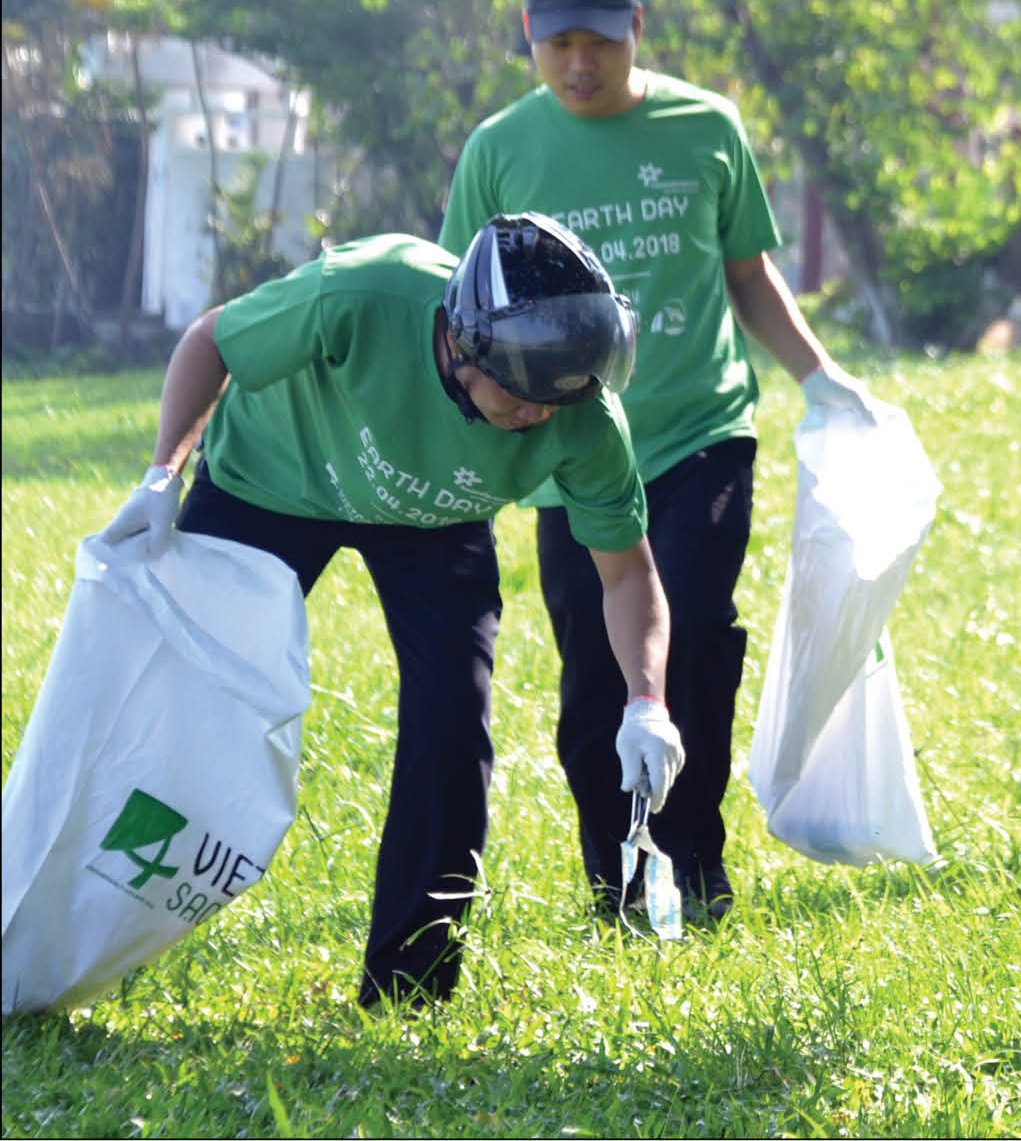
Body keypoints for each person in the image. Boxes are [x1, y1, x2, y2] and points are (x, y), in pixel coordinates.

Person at [95, 213, 685, 1006]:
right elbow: (214, 339)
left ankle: (409, 986)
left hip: (433, 520)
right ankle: (95, 921)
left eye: (562, 394)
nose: (540, 415)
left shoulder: (579, 415)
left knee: (451, 722)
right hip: (272, 480)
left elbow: (627, 578)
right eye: (521, 392)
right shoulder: (363, 295)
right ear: (458, 344)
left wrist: (646, 703)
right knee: (177, 697)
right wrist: (163, 472)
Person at [440, 0, 882, 925]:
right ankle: (621, 885)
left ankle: (696, 863)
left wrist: (820, 374)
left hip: (700, 432)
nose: (580, 62)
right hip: (570, 453)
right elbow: (456, 304)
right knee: (596, 674)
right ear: (529, 39)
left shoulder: (707, 128)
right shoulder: (499, 150)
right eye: (558, 45)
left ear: (637, 29)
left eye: (599, 39)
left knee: (691, 637)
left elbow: (746, 273)